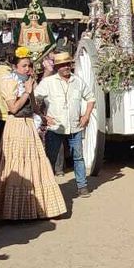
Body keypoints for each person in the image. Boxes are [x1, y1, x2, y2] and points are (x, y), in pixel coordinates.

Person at [0, 46, 65, 221]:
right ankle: (12, 211)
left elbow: (34, 105)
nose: (28, 69)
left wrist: (43, 117)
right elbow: (13, 108)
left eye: (29, 65)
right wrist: (27, 91)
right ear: (15, 66)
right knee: (16, 165)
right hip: (15, 126)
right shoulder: (9, 81)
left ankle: (36, 208)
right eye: (24, 66)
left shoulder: (28, 80)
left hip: (29, 125)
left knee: (36, 165)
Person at [36, 51, 93, 192]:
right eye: (62, 65)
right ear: (57, 67)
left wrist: (86, 116)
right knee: (50, 158)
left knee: (78, 157)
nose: (66, 67)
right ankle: (49, 189)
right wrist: (43, 117)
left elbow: (91, 98)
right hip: (55, 127)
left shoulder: (78, 81)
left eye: (68, 64)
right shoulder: (48, 82)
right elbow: (35, 99)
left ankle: (82, 186)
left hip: (75, 126)